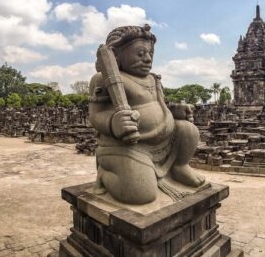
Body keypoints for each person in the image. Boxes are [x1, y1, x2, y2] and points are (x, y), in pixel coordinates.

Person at [88, 24, 206, 205]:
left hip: (164, 141)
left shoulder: (154, 79)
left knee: (188, 129)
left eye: (150, 53)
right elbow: (95, 115)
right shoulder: (104, 79)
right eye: (140, 53)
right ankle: (106, 174)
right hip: (128, 146)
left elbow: (158, 105)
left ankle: (180, 166)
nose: (147, 58)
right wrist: (113, 122)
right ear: (116, 56)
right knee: (141, 194)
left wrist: (174, 110)